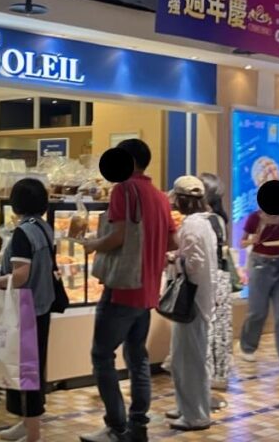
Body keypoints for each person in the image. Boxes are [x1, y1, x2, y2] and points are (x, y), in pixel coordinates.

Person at [81, 139, 176, 442]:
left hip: (122, 288)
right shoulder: (160, 196)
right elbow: (172, 242)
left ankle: (116, 426)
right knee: (138, 357)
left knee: (101, 355)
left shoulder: (123, 189)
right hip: (148, 290)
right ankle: (138, 426)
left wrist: (93, 244)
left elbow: (119, 235)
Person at [0, 179, 54, 442]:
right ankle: (27, 423)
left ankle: (33, 434)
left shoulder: (22, 232)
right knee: (31, 369)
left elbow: (20, 275)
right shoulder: (43, 227)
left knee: (26, 371)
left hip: (25, 308)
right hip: (41, 305)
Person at [164, 176, 216, 432]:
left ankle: (196, 414)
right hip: (200, 298)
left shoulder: (193, 226)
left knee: (189, 360)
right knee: (183, 358)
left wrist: (173, 260)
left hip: (192, 301)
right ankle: (186, 406)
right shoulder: (203, 223)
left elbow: (194, 264)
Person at [238, 197, 279, 373]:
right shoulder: (254, 218)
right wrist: (253, 240)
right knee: (257, 312)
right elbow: (242, 242)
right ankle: (247, 346)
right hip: (260, 264)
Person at [200, 173, 237, 410]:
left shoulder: (207, 220)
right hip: (219, 281)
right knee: (216, 331)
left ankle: (205, 391)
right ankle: (210, 385)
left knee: (209, 332)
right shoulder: (218, 219)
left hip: (211, 282)